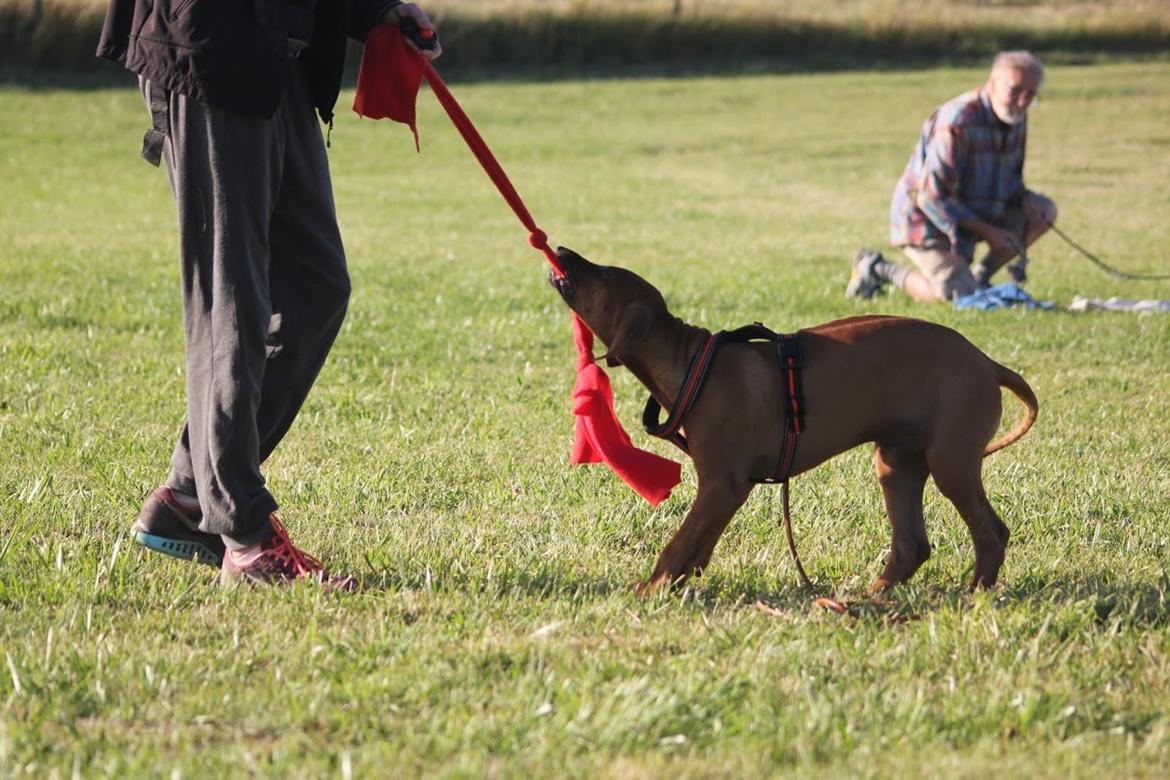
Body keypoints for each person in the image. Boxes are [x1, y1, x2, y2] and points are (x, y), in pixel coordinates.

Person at [96, 1, 441, 587]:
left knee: (317, 287)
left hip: (284, 63)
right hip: (214, 54)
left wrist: (375, 10)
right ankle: (245, 537)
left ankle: (187, 495)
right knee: (234, 306)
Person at [846, 51, 1058, 303]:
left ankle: (979, 279)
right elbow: (931, 196)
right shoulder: (957, 121)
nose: (1023, 101)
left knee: (1045, 210)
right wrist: (990, 232)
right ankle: (879, 268)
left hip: (977, 213)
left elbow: (1010, 177)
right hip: (927, 221)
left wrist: (1025, 198)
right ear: (992, 83)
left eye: (1031, 94)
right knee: (951, 296)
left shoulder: (1015, 116)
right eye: (1016, 90)